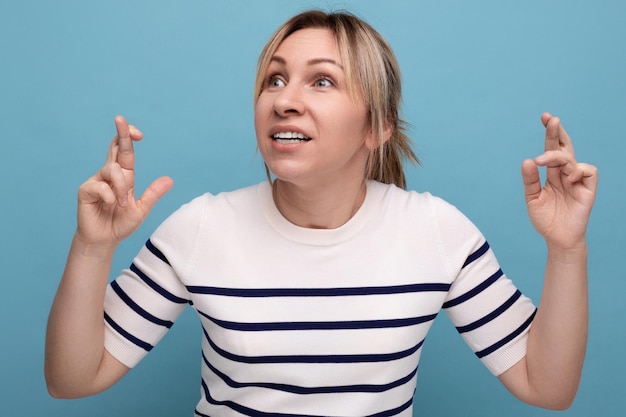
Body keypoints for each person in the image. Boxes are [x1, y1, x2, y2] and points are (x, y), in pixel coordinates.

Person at [44, 9, 598, 416]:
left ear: (377, 127)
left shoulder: (435, 231)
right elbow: (72, 380)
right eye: (275, 79)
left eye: (323, 80)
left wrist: (567, 249)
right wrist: (92, 247)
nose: (285, 99)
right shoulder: (200, 228)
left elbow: (546, 389)